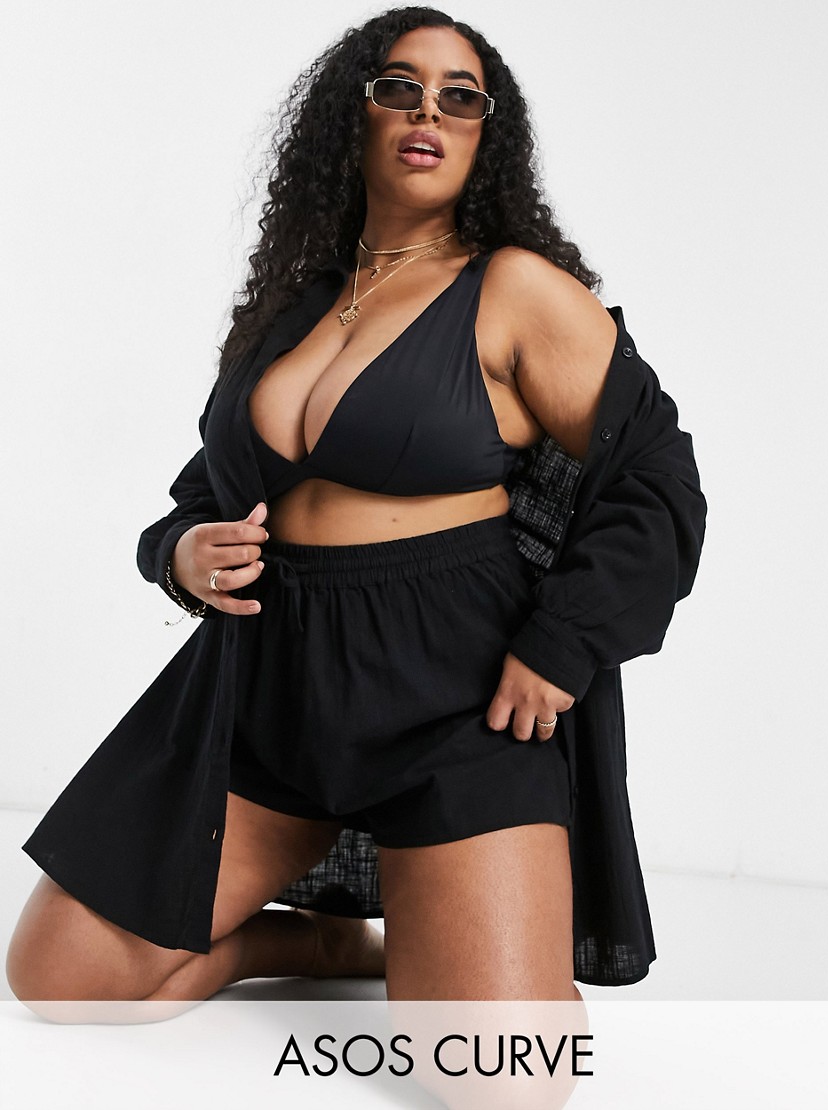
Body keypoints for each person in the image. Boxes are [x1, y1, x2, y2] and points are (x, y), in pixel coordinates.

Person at [7, 6, 706, 1011]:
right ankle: (315, 947)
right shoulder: (296, 305)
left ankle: (447, 938)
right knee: (61, 981)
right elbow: (213, 486)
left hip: (455, 692)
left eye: (461, 97)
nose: (429, 111)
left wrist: (567, 642)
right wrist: (181, 552)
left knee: (500, 1074)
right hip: (271, 684)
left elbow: (656, 477)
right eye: (400, 87)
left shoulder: (515, 289)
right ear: (356, 114)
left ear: (488, 134)